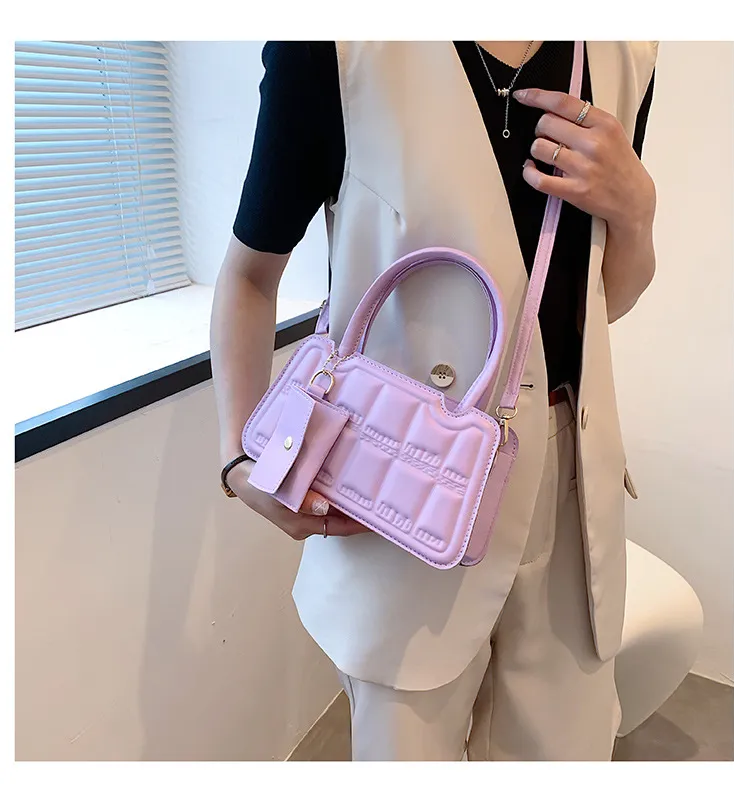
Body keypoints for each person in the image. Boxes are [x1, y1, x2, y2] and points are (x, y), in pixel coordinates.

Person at [210, 40, 658, 761]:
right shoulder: (335, 47)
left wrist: (636, 212)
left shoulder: (622, 52)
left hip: (570, 486)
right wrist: (239, 458)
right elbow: (248, 277)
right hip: (400, 483)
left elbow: (602, 302)